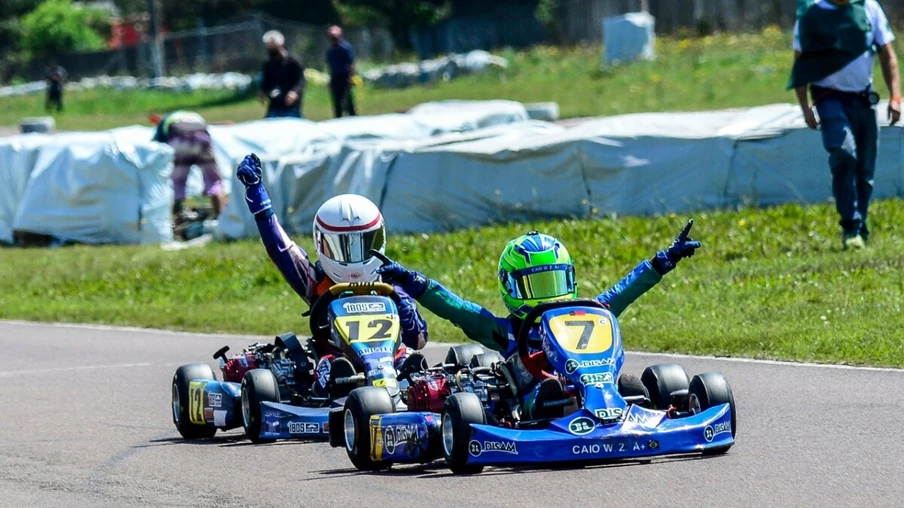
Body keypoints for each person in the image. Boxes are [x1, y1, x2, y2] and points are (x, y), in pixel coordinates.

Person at [373, 222, 700, 419]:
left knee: (632, 385)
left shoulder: (592, 311)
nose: (548, 295)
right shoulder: (506, 331)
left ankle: (629, 405)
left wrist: (665, 259)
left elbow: (627, 289)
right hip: (532, 406)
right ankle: (560, 406)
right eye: (536, 284)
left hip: (596, 387)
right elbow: (455, 308)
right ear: (512, 285)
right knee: (548, 390)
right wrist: (411, 280)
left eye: (553, 281)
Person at [234, 153, 428, 374]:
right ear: (321, 243)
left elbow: (419, 340)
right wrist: (258, 199)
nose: (352, 256)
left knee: (417, 367)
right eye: (341, 246)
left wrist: (405, 311)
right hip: (337, 365)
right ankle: (342, 393)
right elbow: (281, 250)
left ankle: (409, 391)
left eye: (361, 244)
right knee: (329, 369)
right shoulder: (316, 281)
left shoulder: (392, 281)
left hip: (392, 364)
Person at [788, 0, 901, 250]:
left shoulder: (869, 8)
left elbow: (887, 56)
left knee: (865, 169)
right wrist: (805, 106)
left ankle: (860, 224)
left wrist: (895, 96)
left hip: (863, 97)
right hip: (829, 96)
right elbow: (800, 62)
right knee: (843, 153)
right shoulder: (812, 12)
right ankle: (851, 225)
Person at [151, 110, 225, 219]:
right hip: (202, 137)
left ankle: (173, 221)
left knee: (177, 184)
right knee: (214, 182)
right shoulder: (193, 116)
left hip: (179, 138)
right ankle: (222, 219)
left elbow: (158, 146)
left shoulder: (165, 121)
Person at [259, 30, 306, 119]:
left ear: (281, 45)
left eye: (274, 48)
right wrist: (262, 91)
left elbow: (301, 80)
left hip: (291, 107)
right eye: (269, 48)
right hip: (274, 106)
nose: (271, 52)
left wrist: (294, 92)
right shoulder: (268, 64)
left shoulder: (294, 62)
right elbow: (266, 80)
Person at [326, 25, 357, 118]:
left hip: (345, 76)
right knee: (336, 101)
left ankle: (353, 118)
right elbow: (330, 66)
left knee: (348, 100)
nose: (334, 39)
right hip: (335, 77)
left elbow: (351, 64)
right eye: (332, 37)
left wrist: (350, 78)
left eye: (335, 37)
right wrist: (330, 79)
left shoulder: (346, 48)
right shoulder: (330, 51)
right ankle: (338, 118)